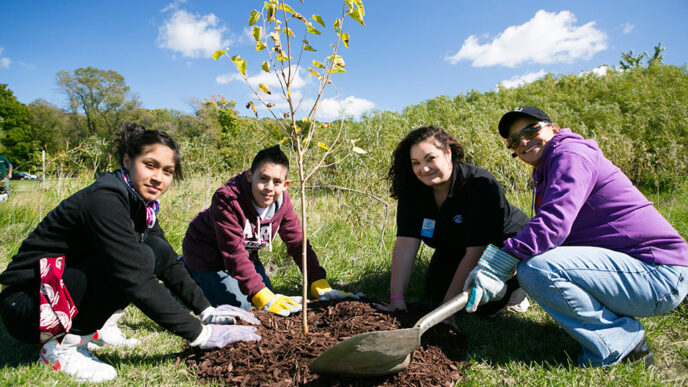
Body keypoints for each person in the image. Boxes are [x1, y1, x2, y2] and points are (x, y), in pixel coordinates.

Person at [0, 123, 261, 383]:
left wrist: (206, 309)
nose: (159, 177)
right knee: (137, 259)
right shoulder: (106, 200)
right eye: (150, 165)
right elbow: (134, 276)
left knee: (153, 249)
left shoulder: (140, 205)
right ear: (127, 160)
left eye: (168, 171)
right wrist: (200, 334)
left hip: (54, 292)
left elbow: (167, 260)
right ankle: (63, 345)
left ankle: (99, 326)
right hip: (26, 305)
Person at [464, 106, 688, 367]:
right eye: (514, 140)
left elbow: (553, 224)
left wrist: (499, 263)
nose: (523, 141)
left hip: (658, 274)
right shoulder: (550, 168)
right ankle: (604, 328)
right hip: (637, 271)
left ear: (553, 129)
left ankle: (623, 346)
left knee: (537, 268)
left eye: (531, 130)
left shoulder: (570, 155)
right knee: (540, 262)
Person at [182, 145, 360, 317]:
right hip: (206, 257)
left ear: (285, 185)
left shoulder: (282, 203)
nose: (269, 187)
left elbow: (298, 244)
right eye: (263, 178)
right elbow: (233, 252)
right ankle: (184, 271)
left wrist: (318, 282)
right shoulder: (227, 199)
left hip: (246, 255)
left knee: (265, 297)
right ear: (250, 176)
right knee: (242, 307)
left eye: (277, 182)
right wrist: (259, 295)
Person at [372, 126, 530, 317]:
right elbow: (406, 242)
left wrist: (446, 310)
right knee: (434, 291)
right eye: (416, 162)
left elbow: (476, 250)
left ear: (448, 153)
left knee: (478, 308)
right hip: (456, 244)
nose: (424, 169)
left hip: (500, 246)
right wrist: (396, 299)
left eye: (430, 159)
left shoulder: (479, 184)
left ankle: (517, 290)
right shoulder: (413, 189)